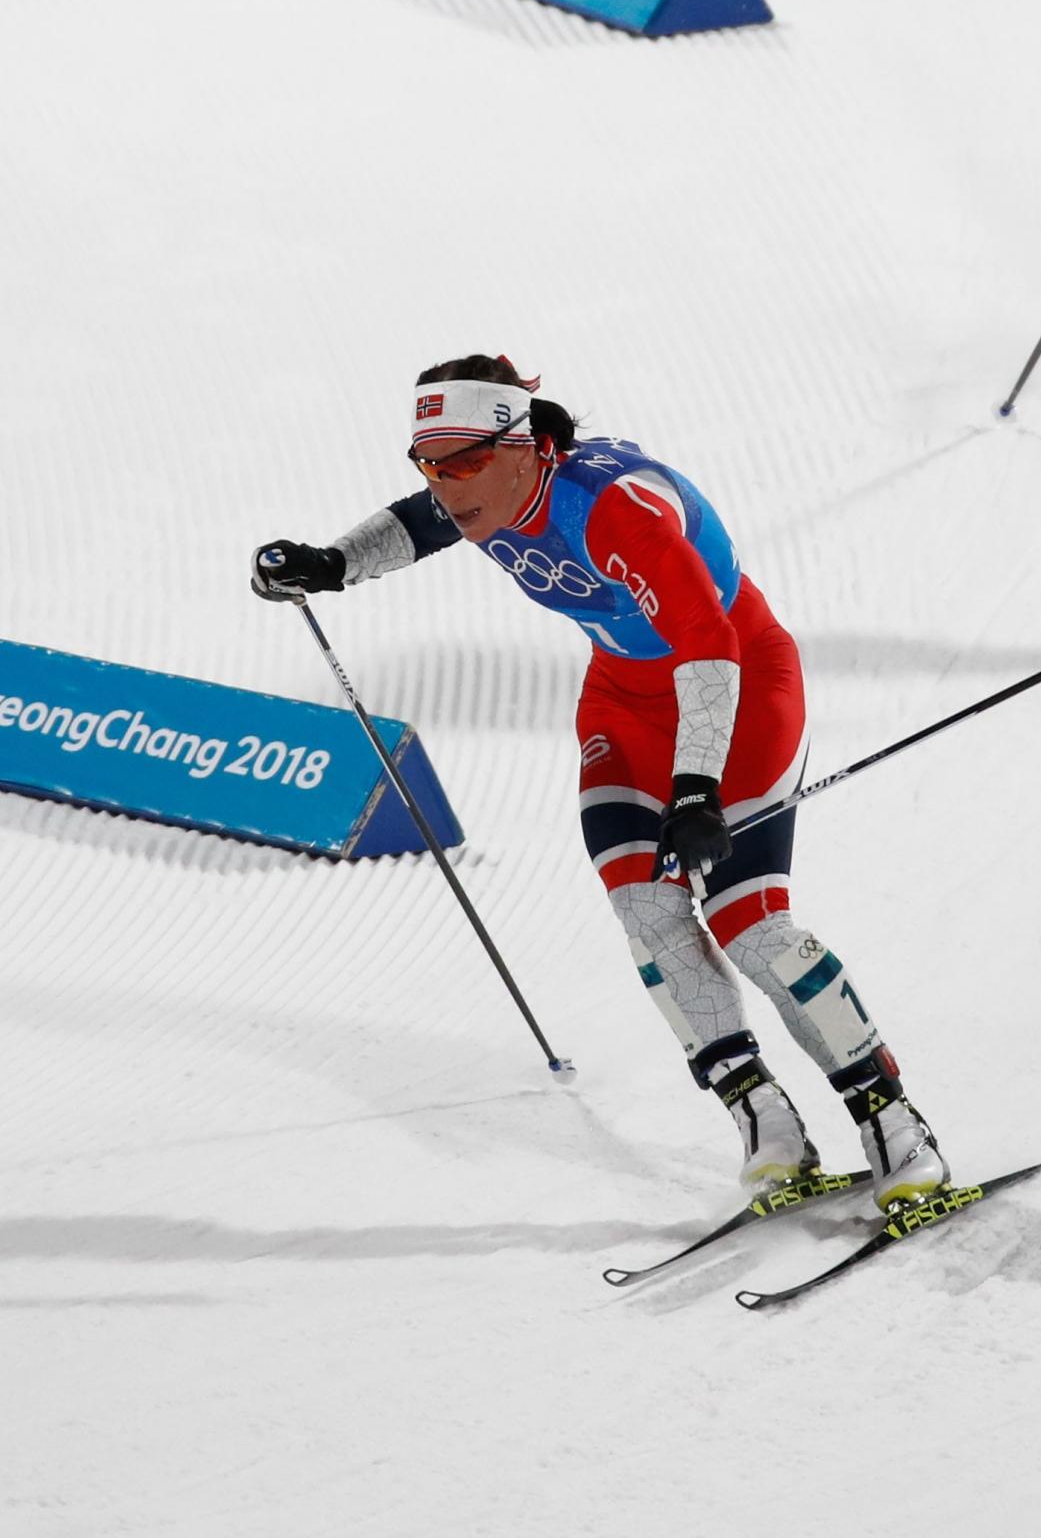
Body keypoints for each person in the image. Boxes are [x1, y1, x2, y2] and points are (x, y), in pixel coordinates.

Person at [248, 354, 950, 1213]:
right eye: (429, 461)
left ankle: (893, 1122)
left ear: (524, 446)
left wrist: (695, 791)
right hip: (623, 697)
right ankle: (763, 1117)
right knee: (648, 911)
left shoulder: (614, 513)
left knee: (748, 923)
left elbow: (709, 646)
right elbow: (421, 522)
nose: (446, 483)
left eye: (463, 461)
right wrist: (330, 564)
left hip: (735, 689)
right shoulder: (489, 489)